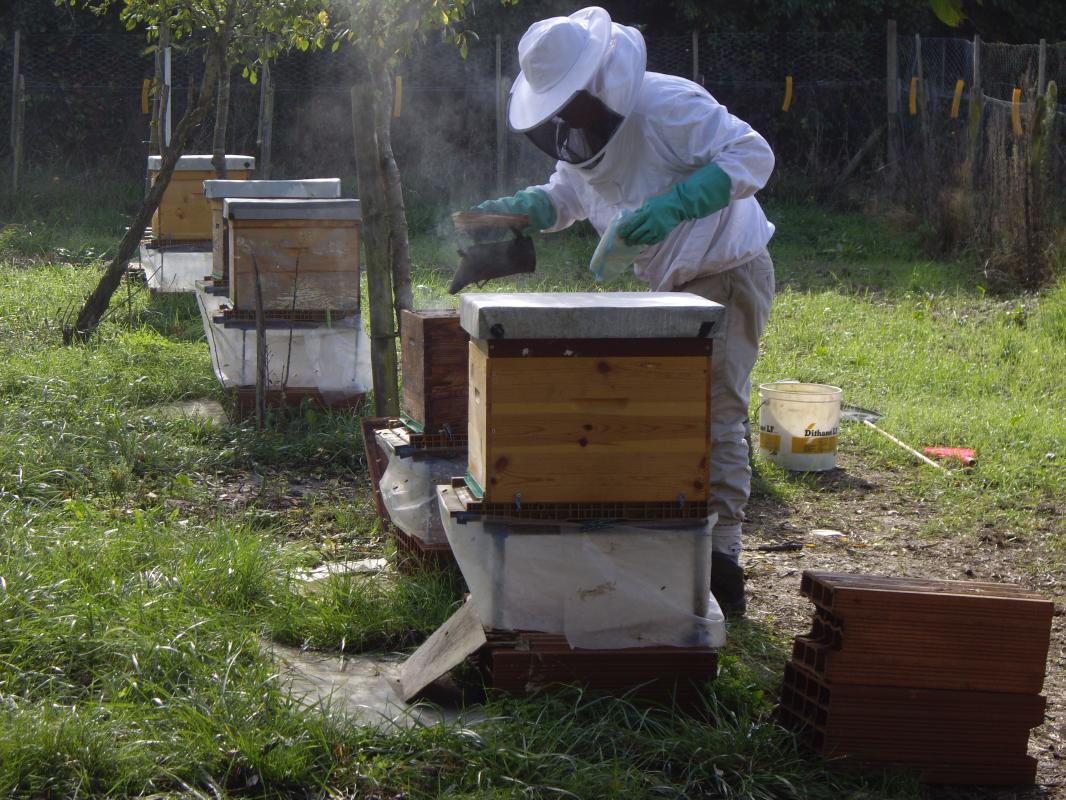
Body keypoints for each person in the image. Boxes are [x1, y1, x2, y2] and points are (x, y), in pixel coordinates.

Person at [473, 7, 776, 617]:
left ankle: (722, 563)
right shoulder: (582, 134)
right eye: (554, 109)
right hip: (665, 293)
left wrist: (681, 202)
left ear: (597, 83)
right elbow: (571, 193)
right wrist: (530, 206)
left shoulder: (668, 104)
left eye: (568, 104)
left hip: (726, 272)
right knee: (664, 418)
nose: (564, 121)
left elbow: (753, 154)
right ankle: (668, 546)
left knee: (714, 413)